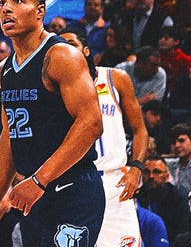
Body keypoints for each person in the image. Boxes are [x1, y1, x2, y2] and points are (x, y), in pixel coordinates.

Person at [0, 0, 104, 247]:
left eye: (18, 1)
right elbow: (9, 136)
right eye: (2, 3)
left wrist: (39, 181)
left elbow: (91, 124)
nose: (7, 8)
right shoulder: (4, 71)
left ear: (40, 11)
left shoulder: (61, 56)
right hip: (30, 195)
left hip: (72, 188)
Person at [59, 30, 148, 247]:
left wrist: (136, 168)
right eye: (60, 47)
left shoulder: (115, 78)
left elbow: (140, 130)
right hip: (73, 182)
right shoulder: (53, 89)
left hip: (113, 180)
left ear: (86, 50)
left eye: (71, 44)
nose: (66, 51)